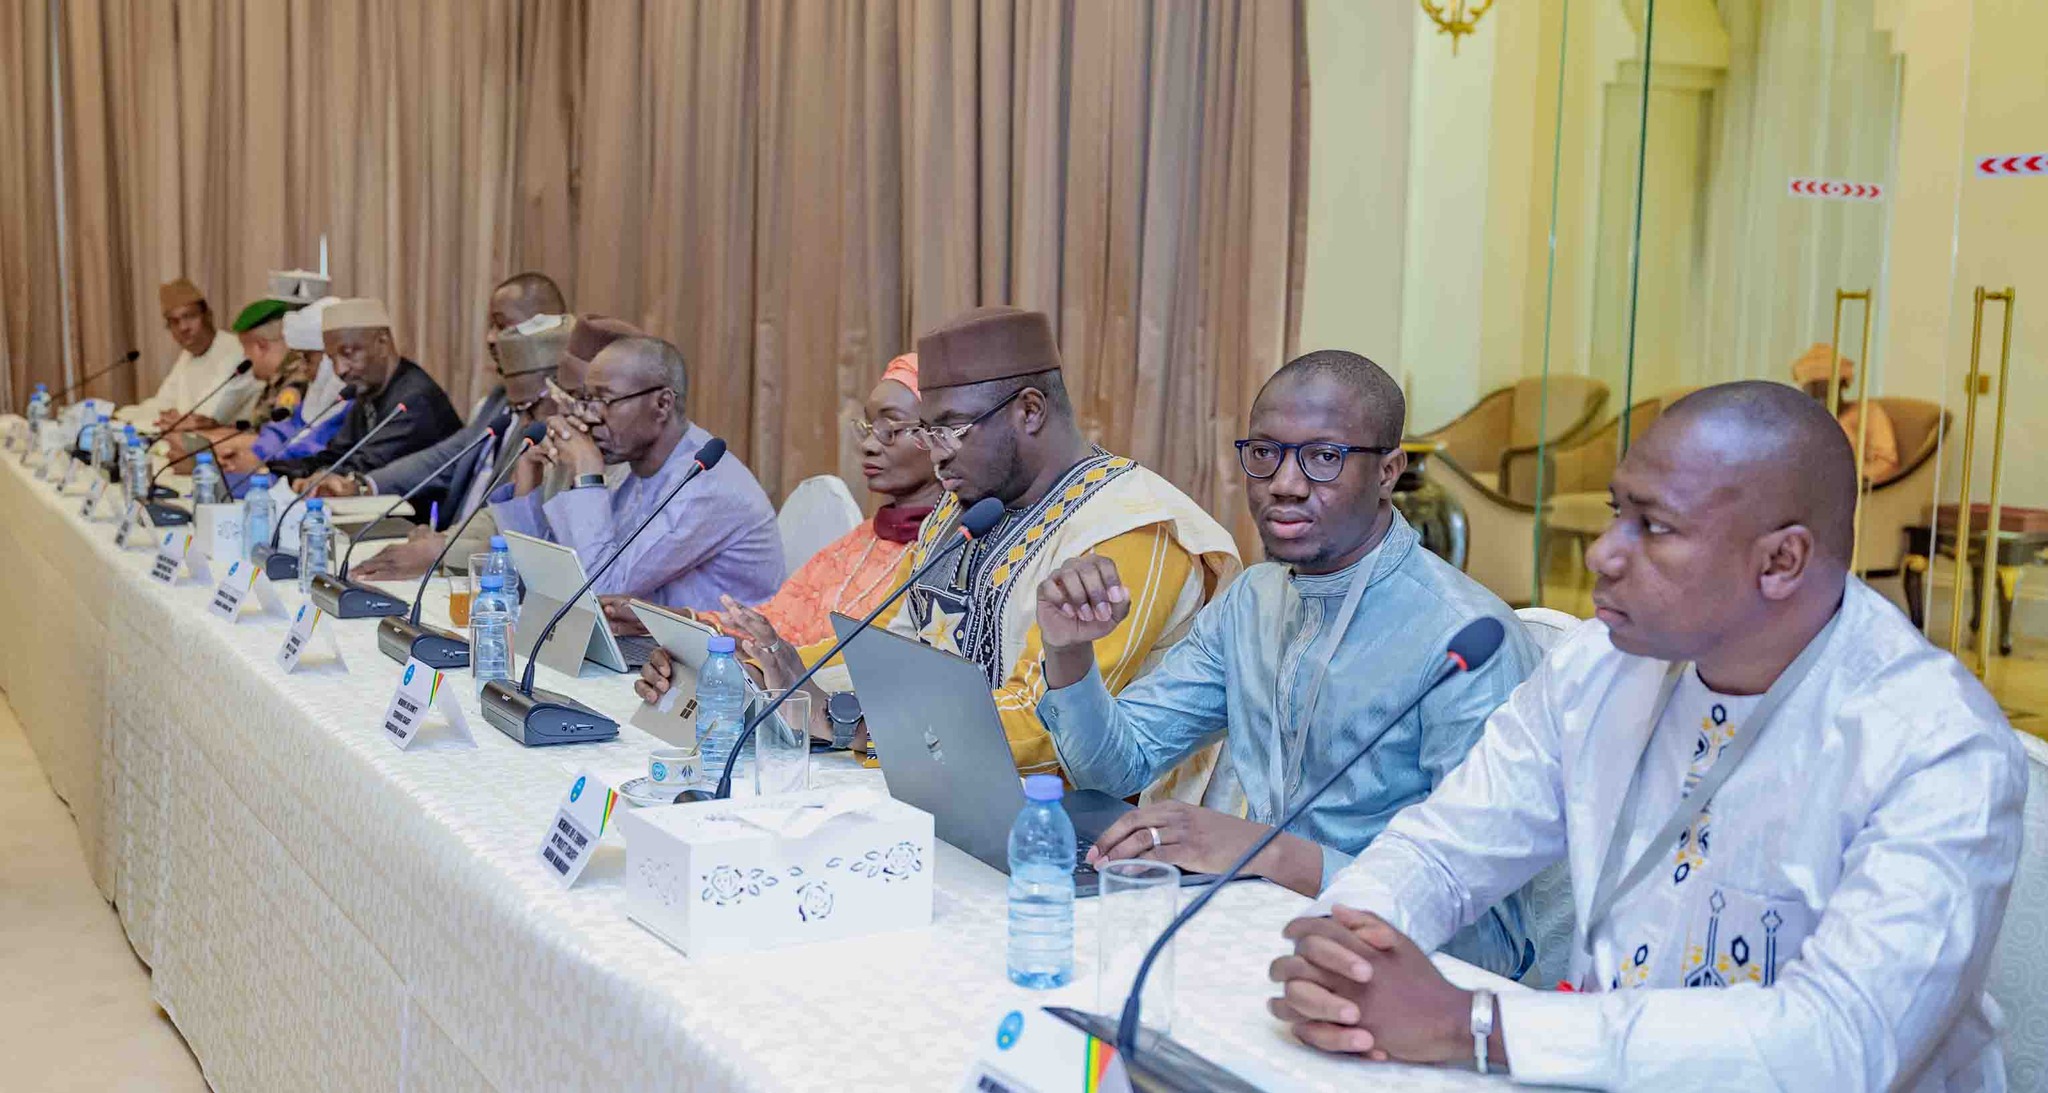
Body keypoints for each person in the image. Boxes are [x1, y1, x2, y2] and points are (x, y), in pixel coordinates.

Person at [1267, 381, 2024, 1090]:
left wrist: (1476, 1026)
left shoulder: (1934, 746)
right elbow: (1443, 851)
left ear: (1781, 560)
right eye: (1615, 512)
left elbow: (1840, 1043)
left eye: (1653, 527)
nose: (1602, 552)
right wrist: (1351, 945)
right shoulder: (1601, 666)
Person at [1030, 351, 1536, 976]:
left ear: (1388, 471)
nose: (1285, 483)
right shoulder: (1253, 600)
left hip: (1392, 980)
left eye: (1324, 457)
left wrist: (1274, 855)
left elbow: (1491, 944)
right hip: (1255, 937)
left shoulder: (1463, 640)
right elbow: (1114, 765)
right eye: (1266, 452)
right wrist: (1069, 650)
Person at [679, 306, 1241, 781]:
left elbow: (1049, 727)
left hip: (1073, 829)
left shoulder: (1128, 528)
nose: (937, 452)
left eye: (950, 429)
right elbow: (896, 643)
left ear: (1029, 411)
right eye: (927, 431)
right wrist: (769, 669)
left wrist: (861, 728)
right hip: (936, 783)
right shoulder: (965, 508)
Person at [631, 352, 943, 696]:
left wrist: (750, 666)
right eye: (868, 428)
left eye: (891, 429)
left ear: (940, 436)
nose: (868, 445)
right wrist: (685, 631)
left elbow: (863, 658)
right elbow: (776, 622)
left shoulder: (947, 550)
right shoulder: (863, 539)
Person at [489, 335, 784, 614]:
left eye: (606, 400)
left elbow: (598, 593)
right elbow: (553, 579)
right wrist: (527, 480)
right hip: (647, 646)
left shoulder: (705, 486)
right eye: (587, 400)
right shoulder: (633, 469)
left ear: (662, 404)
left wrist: (588, 477)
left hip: (722, 649)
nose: (590, 417)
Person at [335, 273, 568, 578]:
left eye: (502, 325)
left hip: (483, 571)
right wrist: (441, 542)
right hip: (457, 553)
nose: (491, 338)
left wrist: (443, 550)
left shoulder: (565, 434)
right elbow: (449, 458)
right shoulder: (498, 401)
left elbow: (538, 545)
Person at [261, 298, 464, 483]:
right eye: (331, 359)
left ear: (382, 343)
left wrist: (312, 477)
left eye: (348, 354)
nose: (340, 370)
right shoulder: (368, 389)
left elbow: (363, 466)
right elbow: (337, 455)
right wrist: (273, 469)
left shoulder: (413, 399)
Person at [218, 296, 350, 475]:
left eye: (307, 359)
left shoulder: (348, 398)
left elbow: (315, 447)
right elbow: (286, 428)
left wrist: (265, 462)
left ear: (328, 358)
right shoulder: (318, 391)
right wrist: (256, 452)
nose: (302, 368)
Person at [123, 278, 250, 429]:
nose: (183, 327)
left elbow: (206, 417)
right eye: (174, 321)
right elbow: (162, 402)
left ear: (208, 315)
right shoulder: (187, 355)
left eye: (189, 316)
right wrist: (121, 416)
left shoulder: (237, 352)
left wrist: (172, 418)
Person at [1791, 342, 1898, 482]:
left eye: (1825, 390)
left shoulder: (1868, 413)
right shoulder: (1801, 422)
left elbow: (1886, 466)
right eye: (1813, 392)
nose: (1820, 399)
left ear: (1842, 385)